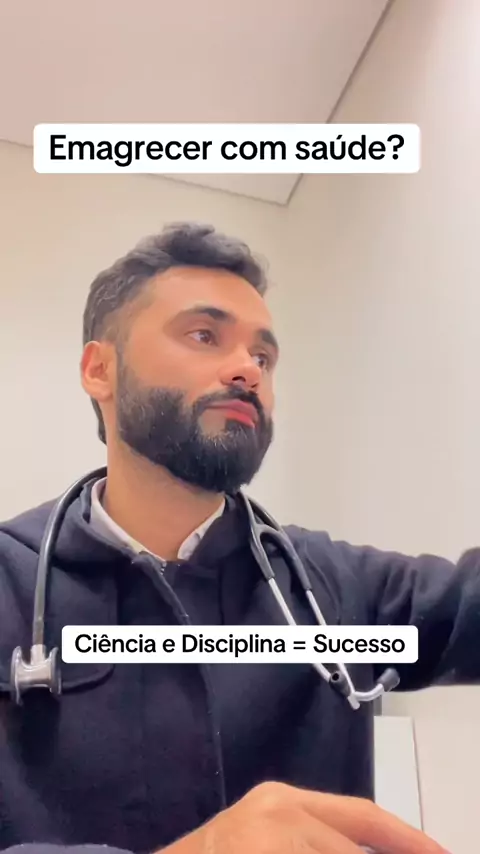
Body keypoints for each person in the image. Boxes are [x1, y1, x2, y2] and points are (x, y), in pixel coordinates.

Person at [0, 221, 468, 854]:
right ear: (100, 370)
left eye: (264, 357)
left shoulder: (333, 587)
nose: (247, 369)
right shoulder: (9, 582)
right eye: (204, 335)